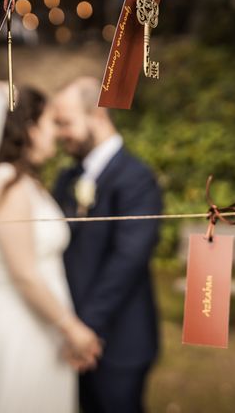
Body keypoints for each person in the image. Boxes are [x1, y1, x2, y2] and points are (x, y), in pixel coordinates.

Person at [0, 82, 102, 413]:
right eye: (51, 123)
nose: (56, 133)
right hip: (19, 326)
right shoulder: (8, 183)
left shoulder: (24, 182)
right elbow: (24, 274)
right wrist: (72, 328)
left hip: (39, 319)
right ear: (29, 128)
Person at [53, 77, 163, 413]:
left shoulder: (137, 179)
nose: (59, 134)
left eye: (65, 123)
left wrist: (85, 329)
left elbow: (128, 260)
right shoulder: (66, 179)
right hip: (70, 335)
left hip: (120, 340)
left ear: (97, 115)